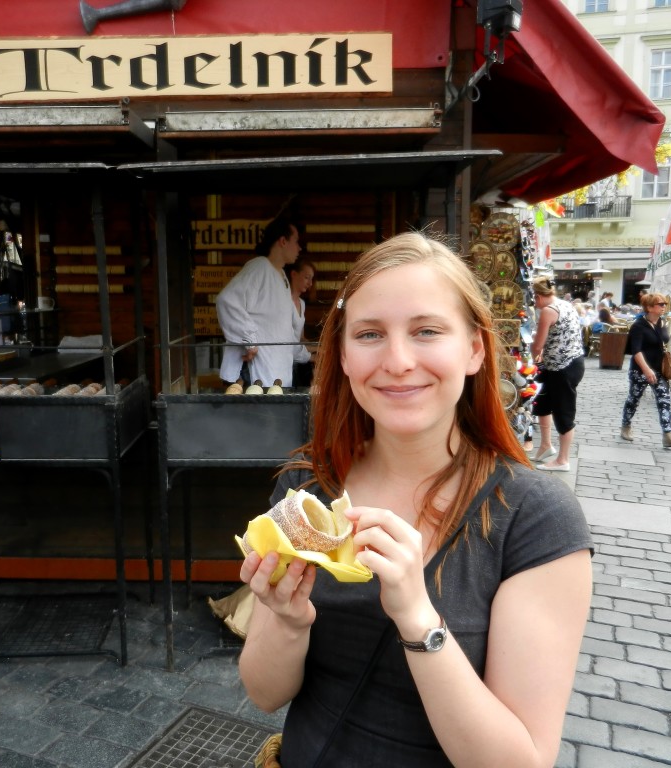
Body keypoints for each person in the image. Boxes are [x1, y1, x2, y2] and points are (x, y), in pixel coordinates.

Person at [238, 232, 593, 767]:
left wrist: (417, 616)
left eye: (427, 331)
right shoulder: (306, 490)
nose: (398, 360)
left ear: (474, 348)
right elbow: (265, 695)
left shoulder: (536, 518)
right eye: (370, 333)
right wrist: (288, 621)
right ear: (342, 352)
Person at [216, 218, 305, 387]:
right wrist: (250, 342)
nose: (299, 248)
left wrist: (307, 355)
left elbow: (283, 329)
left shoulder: (282, 276)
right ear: (283, 241)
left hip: (273, 375)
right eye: (296, 241)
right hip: (253, 374)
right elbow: (227, 300)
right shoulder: (259, 267)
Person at [529, 277, 585, 471]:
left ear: (538, 296)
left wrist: (532, 354)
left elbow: (538, 344)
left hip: (564, 367)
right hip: (563, 364)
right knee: (543, 403)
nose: (534, 304)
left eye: (534, 300)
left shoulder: (548, 311)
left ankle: (563, 459)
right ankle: (546, 445)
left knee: (563, 411)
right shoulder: (565, 304)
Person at [620, 293, 671, 448]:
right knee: (634, 399)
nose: (664, 307)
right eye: (660, 304)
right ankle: (626, 425)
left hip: (658, 368)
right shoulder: (638, 326)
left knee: (664, 400)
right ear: (649, 307)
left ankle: (668, 434)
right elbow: (636, 351)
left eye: (664, 304)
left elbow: (663, 342)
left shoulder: (661, 323)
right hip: (640, 370)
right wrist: (646, 370)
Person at [286, 258, 317, 387]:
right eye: (306, 277)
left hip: (298, 362)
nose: (310, 283)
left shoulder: (302, 304)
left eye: (311, 279)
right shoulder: (284, 302)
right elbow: (288, 343)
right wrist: (317, 351)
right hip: (286, 363)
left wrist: (318, 346)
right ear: (293, 274)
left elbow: (301, 338)